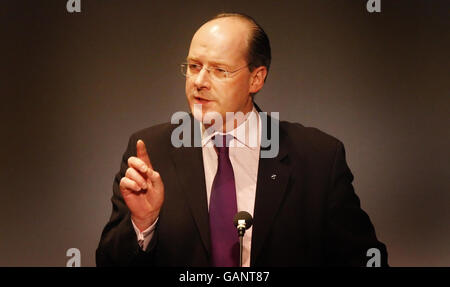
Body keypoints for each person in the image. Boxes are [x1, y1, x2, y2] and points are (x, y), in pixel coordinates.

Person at [96, 13, 388, 267]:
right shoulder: (152, 151)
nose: (199, 81)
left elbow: (365, 259)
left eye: (219, 70)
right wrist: (143, 225)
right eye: (194, 66)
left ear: (256, 79)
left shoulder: (318, 158)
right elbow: (110, 263)